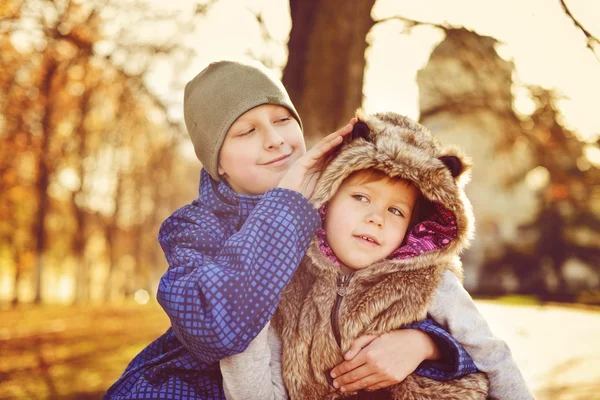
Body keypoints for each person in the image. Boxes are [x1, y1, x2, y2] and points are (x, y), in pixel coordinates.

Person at [103, 61, 478, 400]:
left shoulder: (349, 203)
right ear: (219, 164)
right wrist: (287, 202)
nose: (275, 139)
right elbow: (214, 328)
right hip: (191, 387)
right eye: (247, 130)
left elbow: (413, 286)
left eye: (283, 120)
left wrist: (427, 344)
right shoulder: (193, 228)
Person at [221, 111, 534, 399]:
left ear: (413, 226)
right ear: (327, 200)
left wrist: (429, 345)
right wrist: (246, 304)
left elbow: (492, 356)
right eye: (360, 197)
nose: (376, 218)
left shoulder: (433, 283)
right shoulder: (288, 283)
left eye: (395, 210)